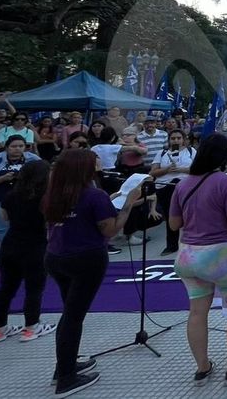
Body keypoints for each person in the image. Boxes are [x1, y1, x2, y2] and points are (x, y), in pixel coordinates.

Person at [44, 149, 143, 396]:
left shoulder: (54, 194)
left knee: (69, 312)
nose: (99, 164)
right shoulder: (94, 195)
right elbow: (110, 230)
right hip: (86, 258)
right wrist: (128, 203)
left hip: (56, 256)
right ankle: (66, 378)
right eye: (94, 162)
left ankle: (65, 364)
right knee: (73, 317)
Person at [168, 133, 227, 388]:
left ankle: (202, 367)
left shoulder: (183, 184)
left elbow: (174, 224)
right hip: (221, 255)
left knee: (197, 311)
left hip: (189, 255)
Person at [0, 160, 54, 342]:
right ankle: (31, 326)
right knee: (34, 288)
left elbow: (5, 217)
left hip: (10, 245)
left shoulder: (11, 195)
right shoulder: (46, 197)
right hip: (35, 246)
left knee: (6, 288)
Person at [0, 135, 42, 245]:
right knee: (3, 231)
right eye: (13, 146)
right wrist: (3, 178)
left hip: (25, 200)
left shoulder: (32, 158)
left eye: (21, 146)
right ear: (7, 147)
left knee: (26, 229)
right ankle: (5, 258)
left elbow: (44, 175)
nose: (17, 148)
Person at [152, 129, 197, 256]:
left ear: (183, 139)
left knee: (190, 215)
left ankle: (192, 243)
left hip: (185, 186)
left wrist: (181, 169)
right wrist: (166, 170)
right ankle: (171, 245)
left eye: (178, 138)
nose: (176, 140)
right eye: (173, 138)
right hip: (165, 187)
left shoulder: (191, 151)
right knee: (171, 215)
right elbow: (153, 172)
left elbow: (198, 169)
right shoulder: (162, 153)